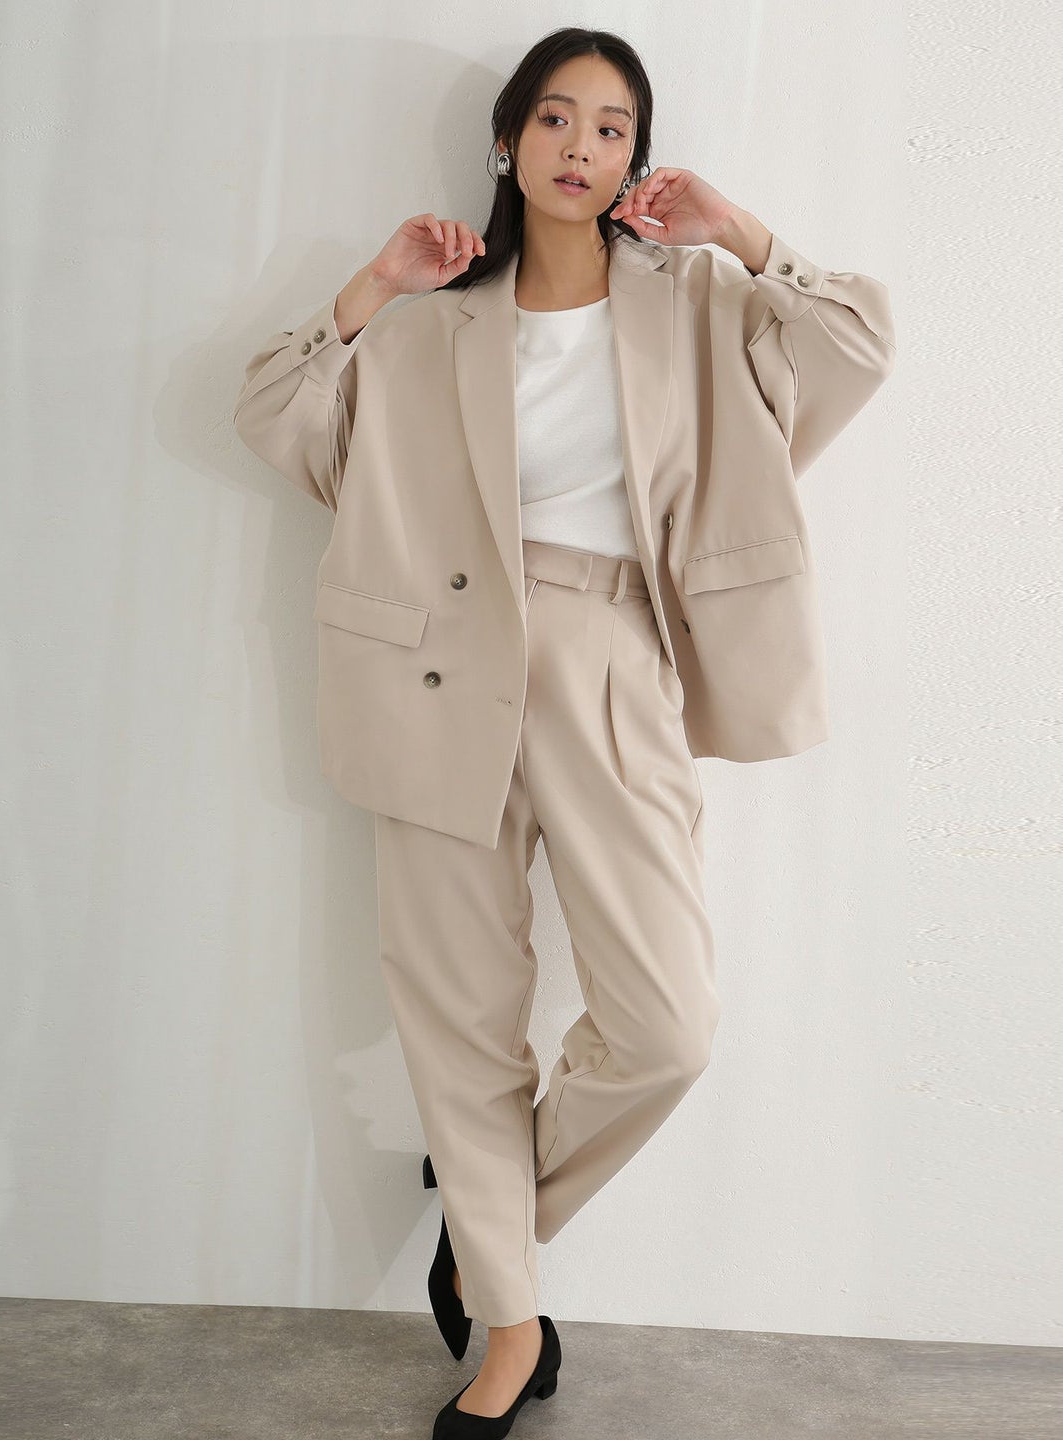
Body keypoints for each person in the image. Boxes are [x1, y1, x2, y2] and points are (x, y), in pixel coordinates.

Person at [232, 26, 895, 1440]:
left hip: (612, 660)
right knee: (459, 1007)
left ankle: (488, 1224)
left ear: (638, 157)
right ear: (507, 141)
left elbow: (857, 340)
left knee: (668, 1025)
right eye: (553, 118)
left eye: (611, 127)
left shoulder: (699, 306)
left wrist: (736, 229)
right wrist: (375, 286)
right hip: (433, 667)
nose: (580, 147)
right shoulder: (432, 324)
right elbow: (278, 415)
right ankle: (510, 1328)